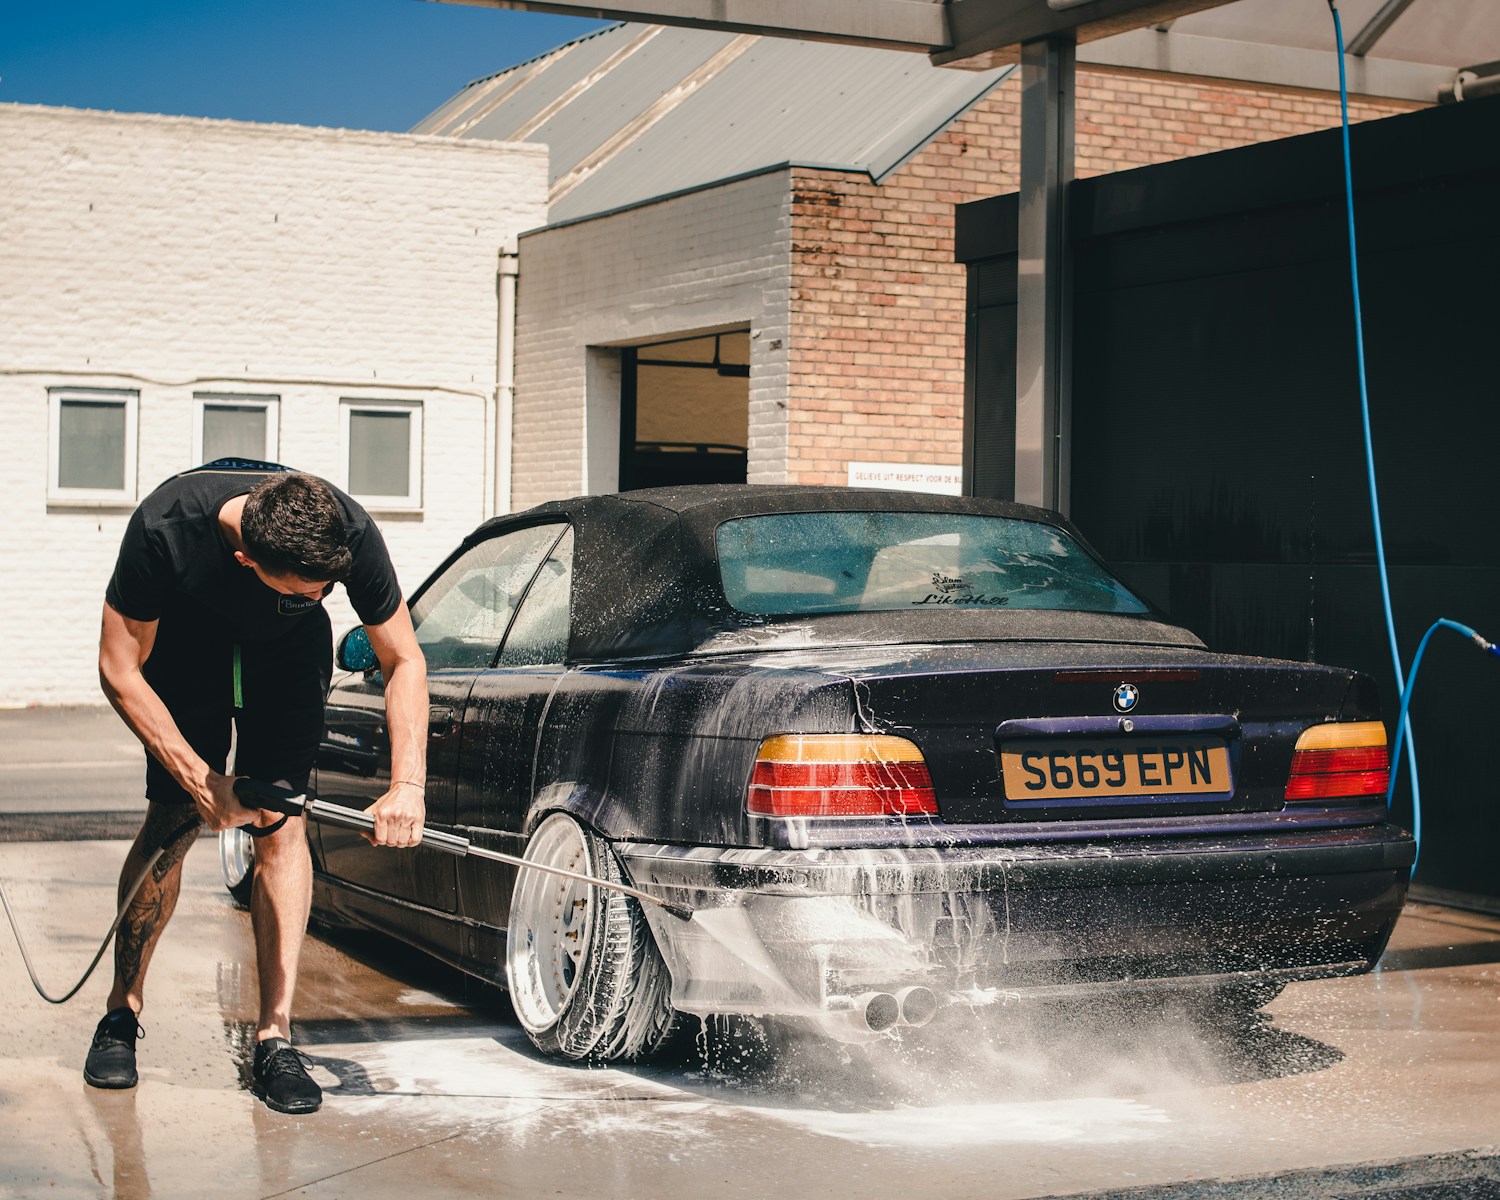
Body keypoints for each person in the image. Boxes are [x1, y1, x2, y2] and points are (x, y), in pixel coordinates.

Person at [85, 460, 429, 1114]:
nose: (324, 594)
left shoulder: (344, 527)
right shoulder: (166, 529)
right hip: (188, 649)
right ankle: (121, 1013)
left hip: (285, 659)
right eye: (309, 589)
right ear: (247, 560)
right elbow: (118, 666)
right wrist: (200, 779)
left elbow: (403, 658)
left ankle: (274, 1036)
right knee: (171, 823)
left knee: (282, 829)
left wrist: (407, 785)